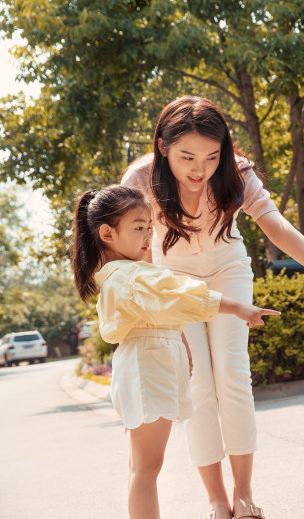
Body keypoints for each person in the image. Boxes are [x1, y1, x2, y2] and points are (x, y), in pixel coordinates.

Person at [121, 96, 304, 519]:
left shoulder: (237, 173)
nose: (199, 168)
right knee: (198, 383)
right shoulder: (140, 178)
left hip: (228, 269)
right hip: (172, 282)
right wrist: (158, 318)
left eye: (211, 155)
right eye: (187, 155)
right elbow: (136, 257)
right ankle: (216, 499)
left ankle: (243, 496)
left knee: (231, 374)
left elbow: (276, 226)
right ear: (163, 146)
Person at [70, 184, 280, 519]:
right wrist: (239, 307)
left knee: (143, 466)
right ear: (108, 233)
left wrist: (180, 342)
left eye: (149, 227)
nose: (148, 235)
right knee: (146, 468)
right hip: (146, 371)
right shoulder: (131, 276)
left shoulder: (128, 274)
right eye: (139, 227)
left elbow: (166, 308)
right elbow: (182, 294)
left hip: (146, 368)